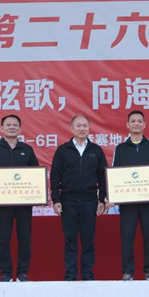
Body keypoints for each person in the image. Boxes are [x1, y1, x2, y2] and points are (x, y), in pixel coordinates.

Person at [50, 114, 107, 281]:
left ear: (89, 128)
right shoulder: (63, 150)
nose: (82, 129)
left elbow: (103, 177)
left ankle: (88, 274)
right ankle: (71, 274)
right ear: (71, 128)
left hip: (90, 200)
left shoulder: (96, 150)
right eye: (78, 126)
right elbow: (55, 176)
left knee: (88, 240)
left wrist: (102, 200)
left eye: (85, 126)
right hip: (68, 201)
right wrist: (56, 200)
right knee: (70, 240)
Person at [0, 114, 40, 282]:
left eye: (15, 125)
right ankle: (6, 273)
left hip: (24, 202)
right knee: (3, 238)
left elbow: (36, 174)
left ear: (20, 129)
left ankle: (22, 272)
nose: (12, 127)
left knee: (25, 238)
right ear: (1, 129)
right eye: (8, 125)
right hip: (3, 202)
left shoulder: (27, 150)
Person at [112, 110, 149, 281]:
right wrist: (112, 196)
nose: (136, 124)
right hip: (127, 202)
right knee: (127, 237)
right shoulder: (120, 149)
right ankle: (128, 271)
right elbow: (115, 173)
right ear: (127, 125)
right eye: (133, 121)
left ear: (144, 124)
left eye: (139, 121)